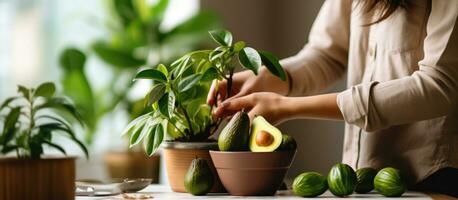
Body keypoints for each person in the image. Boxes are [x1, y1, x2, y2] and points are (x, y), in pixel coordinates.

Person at [207, 0, 458, 197]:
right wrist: (266, 76)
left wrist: (287, 107)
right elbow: (327, 54)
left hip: (434, 179)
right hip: (363, 180)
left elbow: (440, 85)